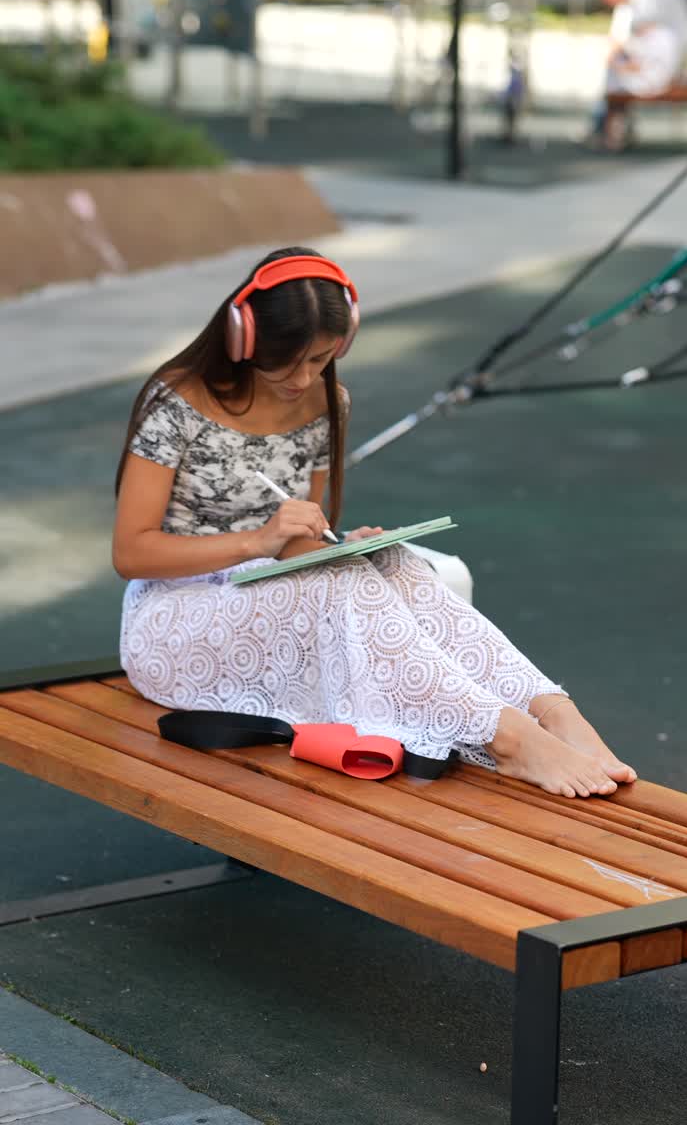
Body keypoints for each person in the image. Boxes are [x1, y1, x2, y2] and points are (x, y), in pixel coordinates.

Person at [113, 246, 637, 799]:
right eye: (285, 361)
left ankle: (553, 713)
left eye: (320, 359)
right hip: (173, 624)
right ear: (244, 338)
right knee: (340, 585)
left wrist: (338, 546)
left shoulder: (325, 401)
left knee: (396, 563)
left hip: (266, 603)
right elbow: (131, 554)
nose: (302, 377)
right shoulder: (177, 402)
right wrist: (258, 541)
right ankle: (506, 737)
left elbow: (298, 546)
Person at [588, 0, 687, 150]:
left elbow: (628, 45)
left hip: (662, 67)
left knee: (614, 81)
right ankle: (608, 129)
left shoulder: (650, 2)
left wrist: (622, 59)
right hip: (650, 66)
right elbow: (618, 41)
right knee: (614, 79)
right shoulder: (628, 9)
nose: (607, 1)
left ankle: (607, 129)